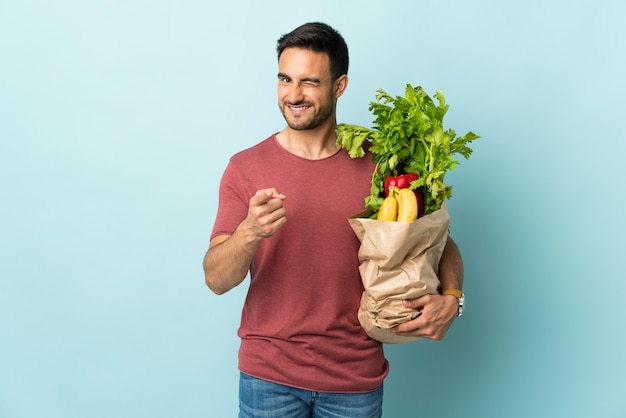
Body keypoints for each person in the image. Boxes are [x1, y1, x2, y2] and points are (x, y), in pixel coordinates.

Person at [203, 22, 464, 418]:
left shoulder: (382, 166)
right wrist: (250, 232)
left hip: (354, 379)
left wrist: (453, 299)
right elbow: (216, 279)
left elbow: (440, 243)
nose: (293, 95)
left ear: (339, 86)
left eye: (309, 82)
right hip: (268, 377)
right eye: (285, 79)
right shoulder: (245, 168)